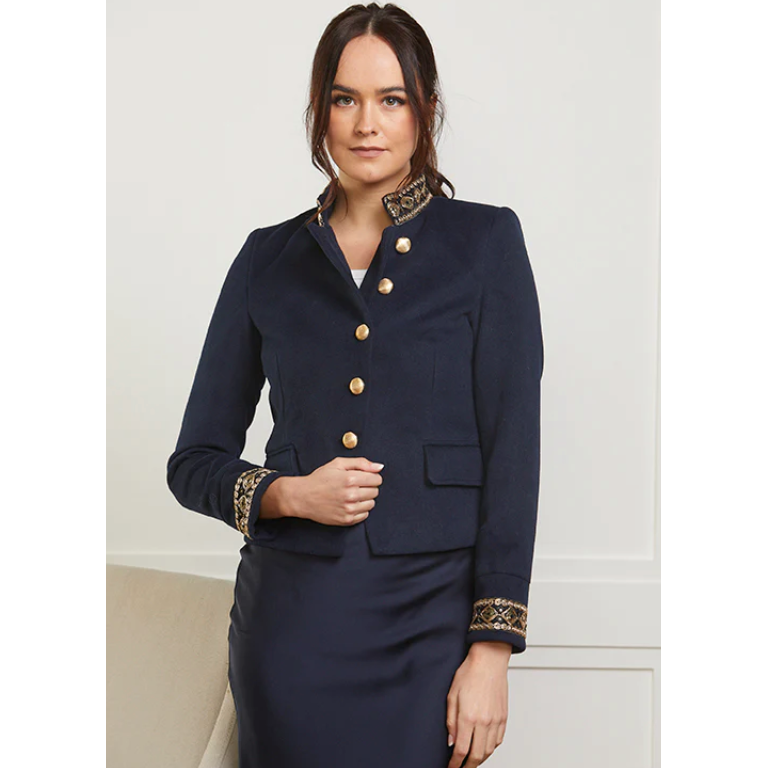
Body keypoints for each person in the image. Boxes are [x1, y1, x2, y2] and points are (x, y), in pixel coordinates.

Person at [166, 4, 544, 767]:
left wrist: (492, 651)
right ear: (320, 111)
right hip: (291, 627)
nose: (367, 123)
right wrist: (287, 494)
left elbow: (513, 451)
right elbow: (193, 461)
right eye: (345, 99)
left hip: (430, 626)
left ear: (424, 110)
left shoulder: (486, 244)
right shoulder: (266, 260)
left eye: (390, 99)